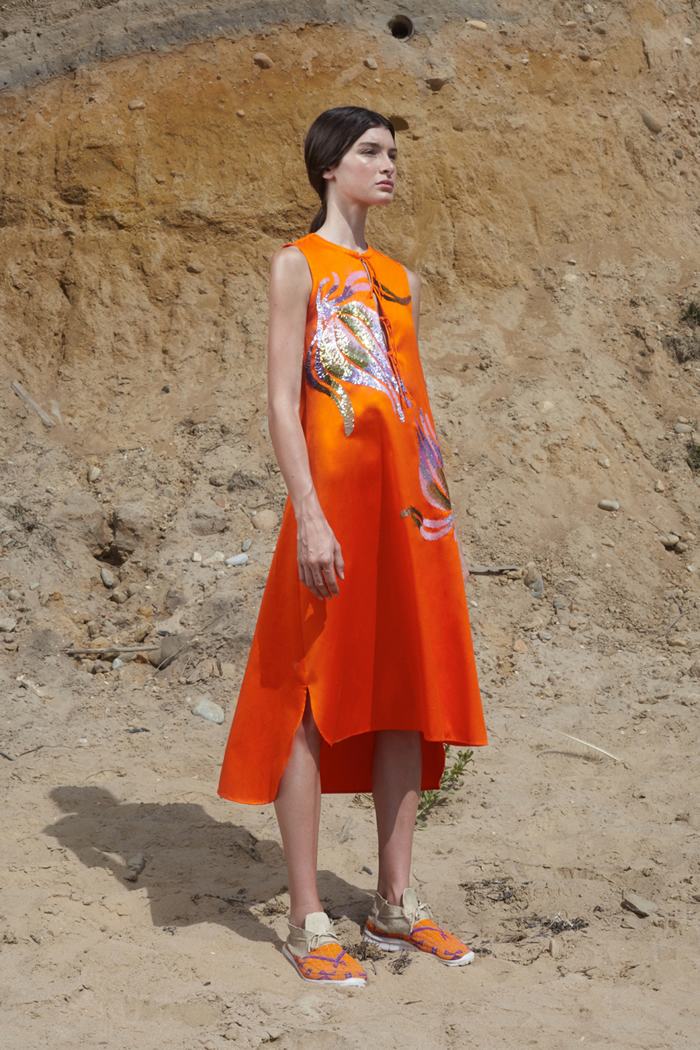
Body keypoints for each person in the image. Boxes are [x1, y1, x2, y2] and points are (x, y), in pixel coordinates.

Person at [218, 106, 487, 987]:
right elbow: (281, 401)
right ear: (329, 165)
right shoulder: (297, 264)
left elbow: (412, 401)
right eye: (371, 151)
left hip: (409, 515)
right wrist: (309, 512)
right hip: (330, 508)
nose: (389, 164)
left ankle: (394, 904)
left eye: (393, 152)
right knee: (307, 693)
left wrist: (437, 507)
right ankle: (306, 918)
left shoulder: (402, 278)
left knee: (405, 692)